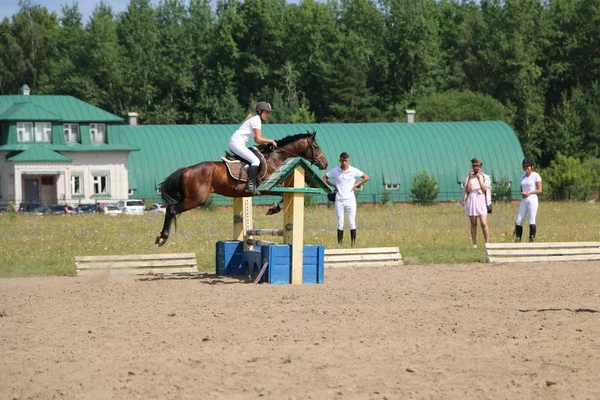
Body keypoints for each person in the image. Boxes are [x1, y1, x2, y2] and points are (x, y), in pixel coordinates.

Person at [228, 101, 278, 195]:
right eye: (266, 112)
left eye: (268, 113)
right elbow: (259, 139)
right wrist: (271, 141)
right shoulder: (256, 120)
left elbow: (256, 140)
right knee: (256, 161)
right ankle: (250, 186)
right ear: (260, 111)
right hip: (236, 143)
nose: (268, 115)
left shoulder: (255, 119)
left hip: (236, 143)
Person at [323, 152, 370, 246]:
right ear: (340, 160)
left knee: (351, 220)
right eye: (342, 160)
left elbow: (366, 177)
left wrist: (356, 185)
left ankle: (353, 243)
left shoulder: (353, 170)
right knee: (340, 221)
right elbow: (324, 177)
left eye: (346, 161)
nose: (344, 163)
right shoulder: (335, 171)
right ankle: (339, 244)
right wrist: (332, 185)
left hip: (350, 199)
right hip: (339, 199)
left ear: (349, 161)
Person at [462, 157, 491, 248]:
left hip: (481, 199)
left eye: (478, 167)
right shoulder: (469, 177)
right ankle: (474, 243)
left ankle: (487, 242)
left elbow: (484, 189)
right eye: (474, 167)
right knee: (473, 222)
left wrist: (479, 179)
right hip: (472, 199)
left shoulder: (485, 177)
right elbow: (467, 190)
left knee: (483, 222)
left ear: (480, 167)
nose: (476, 169)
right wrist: (470, 179)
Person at [515, 157, 542, 242]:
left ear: (532, 166)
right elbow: (522, 189)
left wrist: (529, 193)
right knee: (519, 220)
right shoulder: (522, 176)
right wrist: (522, 193)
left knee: (531, 219)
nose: (526, 168)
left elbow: (539, 189)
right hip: (524, 199)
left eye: (528, 166)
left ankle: (531, 239)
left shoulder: (535, 175)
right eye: (524, 166)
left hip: (532, 199)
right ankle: (518, 239)